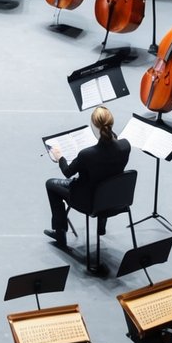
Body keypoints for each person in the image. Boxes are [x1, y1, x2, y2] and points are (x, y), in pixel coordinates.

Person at [43, 105, 130, 247]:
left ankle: (60, 234)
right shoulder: (125, 145)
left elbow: (68, 172)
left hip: (88, 202)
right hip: (114, 198)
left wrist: (60, 158)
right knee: (106, 179)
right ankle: (101, 228)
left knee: (50, 184)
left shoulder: (87, 155)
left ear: (93, 126)